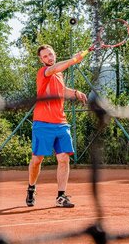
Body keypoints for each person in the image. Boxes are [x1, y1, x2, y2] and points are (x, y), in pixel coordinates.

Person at [26, 44, 87, 208]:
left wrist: (75, 93)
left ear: (55, 54)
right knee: (37, 160)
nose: (49, 58)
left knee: (64, 159)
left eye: (50, 55)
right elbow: (56, 68)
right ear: (41, 60)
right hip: (42, 124)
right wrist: (75, 59)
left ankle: (61, 196)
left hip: (61, 123)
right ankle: (31, 187)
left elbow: (62, 90)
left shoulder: (58, 74)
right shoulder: (44, 72)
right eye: (45, 56)